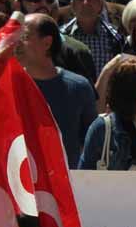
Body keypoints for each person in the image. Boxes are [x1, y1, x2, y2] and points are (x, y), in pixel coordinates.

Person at [15, 13, 95, 168]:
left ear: (47, 42)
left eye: (24, 36)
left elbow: (90, 142)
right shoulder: (7, 86)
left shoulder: (78, 87)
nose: (16, 43)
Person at [62, 0, 124, 71]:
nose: (86, 3)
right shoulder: (61, 36)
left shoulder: (115, 37)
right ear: (73, 6)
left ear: (100, 4)